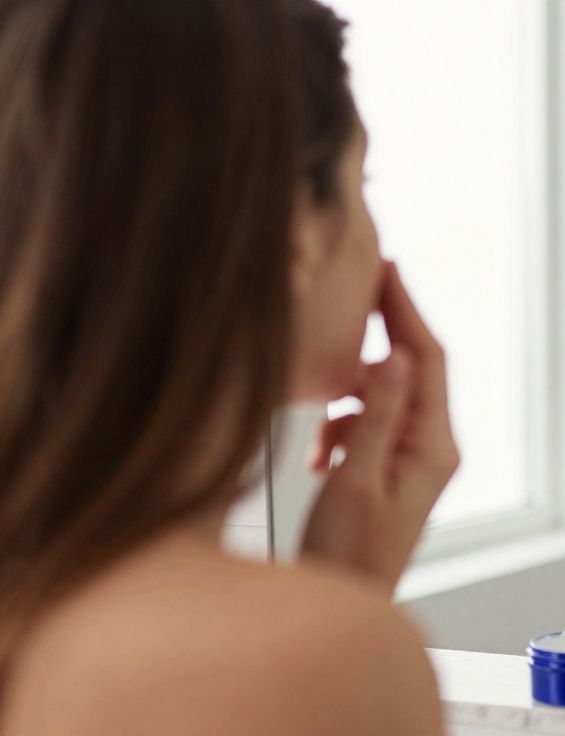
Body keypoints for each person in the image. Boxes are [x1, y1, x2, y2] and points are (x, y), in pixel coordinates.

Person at [0, 1, 457, 732]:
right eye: (360, 182)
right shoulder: (325, 662)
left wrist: (329, 590)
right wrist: (335, 621)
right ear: (294, 236)